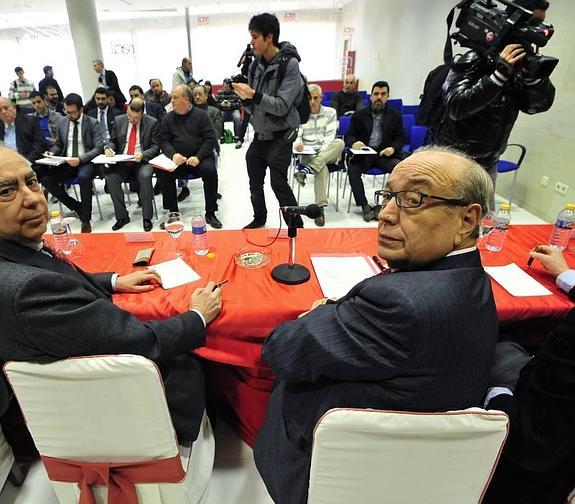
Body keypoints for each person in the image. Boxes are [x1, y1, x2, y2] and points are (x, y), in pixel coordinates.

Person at [253, 146, 498, 504]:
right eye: (388, 196)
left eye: (413, 199)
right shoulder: (471, 277)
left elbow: (282, 350)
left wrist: (321, 313)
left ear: (466, 220)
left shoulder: (399, 306)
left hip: (326, 468)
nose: (384, 214)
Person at [0, 147, 222, 446]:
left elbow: (55, 276)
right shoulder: (28, 291)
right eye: (6, 192)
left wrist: (115, 281)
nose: (32, 199)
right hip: (110, 411)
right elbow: (143, 342)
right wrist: (198, 315)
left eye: (32, 182)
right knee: (201, 355)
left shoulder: (17, 256)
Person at [434, 0, 554, 210]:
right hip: (455, 161)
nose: (538, 31)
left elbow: (535, 106)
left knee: (480, 222)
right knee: (443, 222)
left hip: (489, 160)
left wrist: (534, 79)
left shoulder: (520, 65)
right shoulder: (475, 58)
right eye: (534, 22)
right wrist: (498, 75)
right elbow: (456, 105)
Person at [484, 245, 575, 503]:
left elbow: (534, 436)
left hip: (531, 460)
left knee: (492, 344)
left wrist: (497, 394)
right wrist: (566, 275)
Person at [232, 12, 305, 229]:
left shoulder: (289, 65)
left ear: (269, 37)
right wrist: (242, 97)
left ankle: (296, 226)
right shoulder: (255, 65)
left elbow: (282, 105)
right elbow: (254, 106)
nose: (251, 42)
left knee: (278, 182)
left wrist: (253, 95)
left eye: (255, 37)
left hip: (283, 133)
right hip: (261, 133)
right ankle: (259, 218)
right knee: (254, 174)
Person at [158, 85, 221, 229]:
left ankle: (211, 212)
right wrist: (173, 155)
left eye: (175, 98)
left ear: (186, 99)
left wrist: (198, 157)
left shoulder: (201, 115)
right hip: (178, 159)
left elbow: (210, 139)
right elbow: (164, 140)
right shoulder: (168, 118)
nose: (171, 101)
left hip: (200, 158)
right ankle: (173, 213)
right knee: (163, 172)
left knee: (210, 171)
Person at [40, 93, 104, 233]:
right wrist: (53, 152)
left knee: (84, 177)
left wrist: (80, 159)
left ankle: (85, 219)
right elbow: (59, 144)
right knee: (45, 179)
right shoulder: (62, 122)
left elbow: (99, 148)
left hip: (86, 161)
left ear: (81, 110)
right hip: (66, 161)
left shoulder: (92, 122)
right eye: (66, 112)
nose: (69, 115)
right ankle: (76, 206)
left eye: (72, 112)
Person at [344, 81, 406, 222]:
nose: (379, 97)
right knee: (353, 169)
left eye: (383, 94)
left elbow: (401, 137)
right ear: (371, 96)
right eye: (376, 94)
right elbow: (349, 135)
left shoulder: (395, 115)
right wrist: (354, 143)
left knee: (399, 169)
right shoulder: (360, 115)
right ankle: (364, 205)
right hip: (365, 155)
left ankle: (384, 204)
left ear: (388, 96)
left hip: (384, 155)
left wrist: (393, 148)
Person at [104, 98, 159, 232]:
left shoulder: (152, 123)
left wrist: (144, 154)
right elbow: (113, 141)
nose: (132, 120)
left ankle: (147, 217)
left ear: (142, 113)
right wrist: (108, 148)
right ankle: (122, 217)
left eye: (136, 118)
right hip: (123, 160)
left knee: (145, 176)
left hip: (142, 160)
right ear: (127, 110)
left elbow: (156, 147)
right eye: (130, 116)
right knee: (111, 178)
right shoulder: (119, 120)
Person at [293, 84, 344, 226]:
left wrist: (320, 155)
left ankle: (305, 171)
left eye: (316, 98)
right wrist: (297, 143)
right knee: (321, 168)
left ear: (321, 98)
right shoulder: (301, 114)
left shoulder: (330, 112)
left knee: (339, 143)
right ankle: (320, 209)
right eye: (310, 98)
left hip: (326, 151)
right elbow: (297, 135)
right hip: (308, 153)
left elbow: (329, 138)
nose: (312, 101)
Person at [0, 97, 46, 164]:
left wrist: (24, 162)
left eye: (6, 108)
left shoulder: (30, 121)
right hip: (6, 166)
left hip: (28, 164)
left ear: (14, 107)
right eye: (0, 110)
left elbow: (40, 145)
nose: (3, 112)